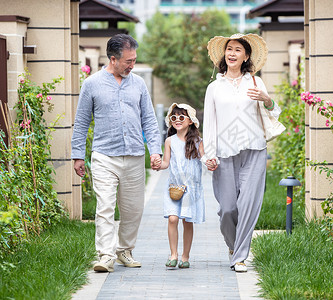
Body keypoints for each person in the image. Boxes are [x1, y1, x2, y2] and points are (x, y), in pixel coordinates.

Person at [71, 34, 162, 272]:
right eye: (128, 61)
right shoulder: (92, 84)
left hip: (134, 156)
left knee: (133, 210)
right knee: (105, 207)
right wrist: (78, 155)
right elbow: (81, 122)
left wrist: (155, 151)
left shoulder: (139, 84)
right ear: (113, 59)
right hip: (104, 156)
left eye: (134, 60)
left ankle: (124, 250)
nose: (132, 65)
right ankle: (105, 255)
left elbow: (150, 121)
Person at [203, 33, 282, 272]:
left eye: (238, 49)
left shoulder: (255, 83)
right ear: (223, 55)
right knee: (227, 209)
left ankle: (239, 257)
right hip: (224, 153)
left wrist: (267, 99)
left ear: (246, 55)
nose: (232, 53)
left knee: (248, 204)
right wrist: (209, 154)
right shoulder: (214, 88)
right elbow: (210, 122)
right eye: (229, 49)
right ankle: (234, 244)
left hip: (254, 149)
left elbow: (273, 111)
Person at [157, 103, 213, 269]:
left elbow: (203, 158)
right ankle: (173, 254)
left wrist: (209, 162)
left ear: (190, 121)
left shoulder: (197, 141)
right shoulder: (169, 141)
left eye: (182, 117)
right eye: (174, 117)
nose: (177, 120)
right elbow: (166, 163)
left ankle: (185, 256)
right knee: (173, 218)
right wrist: (157, 164)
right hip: (174, 187)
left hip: (191, 189)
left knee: (187, 222)